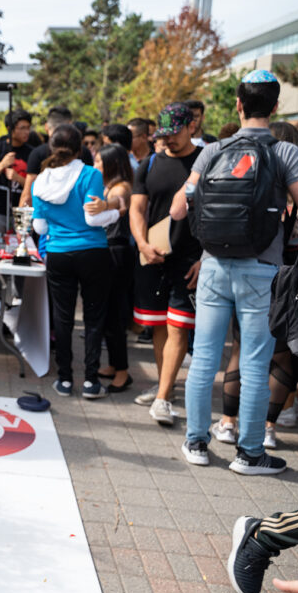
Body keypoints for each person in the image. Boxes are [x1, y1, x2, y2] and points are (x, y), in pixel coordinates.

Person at [170, 71, 298, 473]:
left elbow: (178, 208)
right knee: (256, 362)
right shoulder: (285, 154)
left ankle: (195, 442)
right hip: (262, 269)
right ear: (276, 107)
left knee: (205, 357)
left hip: (212, 266)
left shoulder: (211, 152)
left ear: (238, 104)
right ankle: (249, 453)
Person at [129, 102, 202, 426]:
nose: (169, 140)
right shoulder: (148, 164)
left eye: (175, 133)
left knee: (178, 326)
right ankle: (166, 389)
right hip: (152, 255)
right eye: (164, 135)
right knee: (157, 325)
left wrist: (205, 257)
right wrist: (142, 242)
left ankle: (162, 397)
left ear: (192, 127)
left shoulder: (205, 162)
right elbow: (137, 209)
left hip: (189, 260)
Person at [31, 124, 114, 399]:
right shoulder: (91, 174)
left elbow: (40, 228)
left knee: (62, 318)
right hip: (93, 252)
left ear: (51, 148)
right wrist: (115, 213)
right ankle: (91, 381)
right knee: (93, 317)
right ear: (81, 149)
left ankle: (64, 379)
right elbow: (93, 218)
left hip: (58, 253)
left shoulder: (40, 181)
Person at [84, 144, 135, 393]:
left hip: (116, 252)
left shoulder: (121, 186)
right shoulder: (109, 184)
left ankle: (123, 372)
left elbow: (119, 201)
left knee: (115, 315)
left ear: (112, 164)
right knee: (107, 314)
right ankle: (115, 365)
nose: (95, 166)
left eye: (99, 162)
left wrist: (106, 206)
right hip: (108, 251)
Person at [19, 106, 93, 208]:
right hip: (78, 216)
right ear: (70, 125)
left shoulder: (37, 153)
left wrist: (22, 222)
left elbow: (27, 196)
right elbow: (90, 190)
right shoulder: (83, 151)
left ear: (46, 127)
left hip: (44, 218)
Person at [0, 109, 33, 235]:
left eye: (28, 128)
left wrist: (18, 178)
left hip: (22, 211)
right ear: (10, 128)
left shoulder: (32, 153)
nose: (27, 132)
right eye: (22, 128)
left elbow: (35, 187)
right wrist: (2, 164)